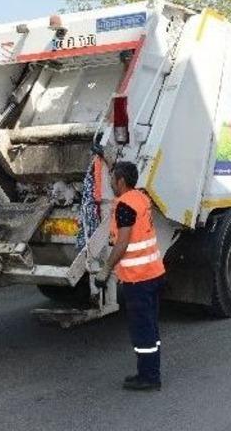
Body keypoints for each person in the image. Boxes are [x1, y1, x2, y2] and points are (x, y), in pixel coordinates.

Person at [95, 161, 166, 391]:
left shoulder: (125, 205)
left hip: (139, 278)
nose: (111, 183)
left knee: (142, 329)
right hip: (153, 273)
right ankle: (149, 372)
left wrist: (106, 269)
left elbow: (123, 242)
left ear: (121, 181)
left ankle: (149, 378)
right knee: (151, 328)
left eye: (113, 179)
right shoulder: (141, 198)